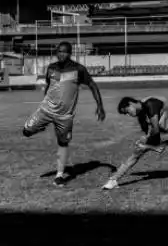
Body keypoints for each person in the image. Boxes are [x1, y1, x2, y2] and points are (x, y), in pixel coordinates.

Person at [22, 41, 106, 187]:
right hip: (46, 110)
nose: (61, 54)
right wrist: (44, 101)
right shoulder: (51, 68)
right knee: (26, 132)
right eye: (59, 51)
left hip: (65, 117)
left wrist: (100, 106)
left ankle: (59, 175)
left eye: (64, 51)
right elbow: (49, 85)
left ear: (69, 53)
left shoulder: (78, 69)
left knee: (63, 143)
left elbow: (92, 84)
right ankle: (41, 126)